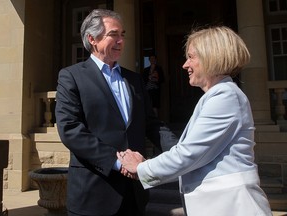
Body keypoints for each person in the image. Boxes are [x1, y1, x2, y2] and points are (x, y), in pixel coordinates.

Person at [117, 26, 273, 216]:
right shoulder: (218, 95)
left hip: (232, 205)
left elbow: (188, 154)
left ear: (211, 57)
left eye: (191, 57)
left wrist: (141, 167)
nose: (184, 64)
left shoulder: (225, 96)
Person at [55, 9, 177, 216]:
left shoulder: (135, 80)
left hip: (135, 195)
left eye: (123, 34)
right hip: (93, 194)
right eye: (114, 34)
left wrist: (181, 151)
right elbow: (70, 129)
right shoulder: (71, 77)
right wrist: (119, 162)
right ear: (92, 39)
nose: (121, 40)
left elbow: (151, 124)